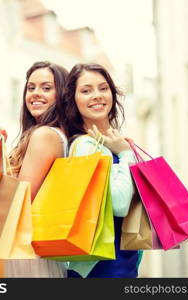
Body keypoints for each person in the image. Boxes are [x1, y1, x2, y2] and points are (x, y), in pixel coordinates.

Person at [0, 61, 68, 277]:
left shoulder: (45, 135)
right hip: (26, 249)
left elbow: (19, 201)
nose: (36, 94)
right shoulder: (42, 135)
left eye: (46, 88)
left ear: (62, 94)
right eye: (31, 88)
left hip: (28, 252)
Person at [60, 63, 143, 278]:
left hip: (122, 262)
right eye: (86, 91)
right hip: (101, 269)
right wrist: (125, 155)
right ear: (73, 100)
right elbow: (119, 204)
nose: (96, 95)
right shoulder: (87, 146)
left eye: (103, 88)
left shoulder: (114, 143)